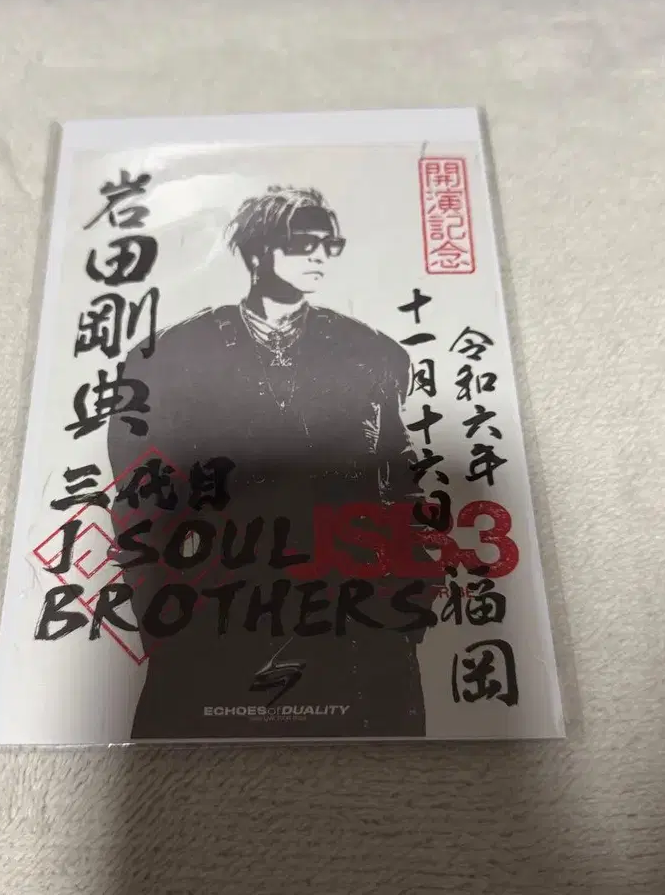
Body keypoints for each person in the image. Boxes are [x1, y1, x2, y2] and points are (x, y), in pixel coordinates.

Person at [108, 185, 437, 739]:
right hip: (216, 607)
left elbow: (400, 479)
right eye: (304, 241)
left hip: (351, 613)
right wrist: (164, 614)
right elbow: (138, 497)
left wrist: (407, 596)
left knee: (377, 757)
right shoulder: (167, 355)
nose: (320, 255)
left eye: (331, 244)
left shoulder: (373, 351)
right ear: (258, 249)